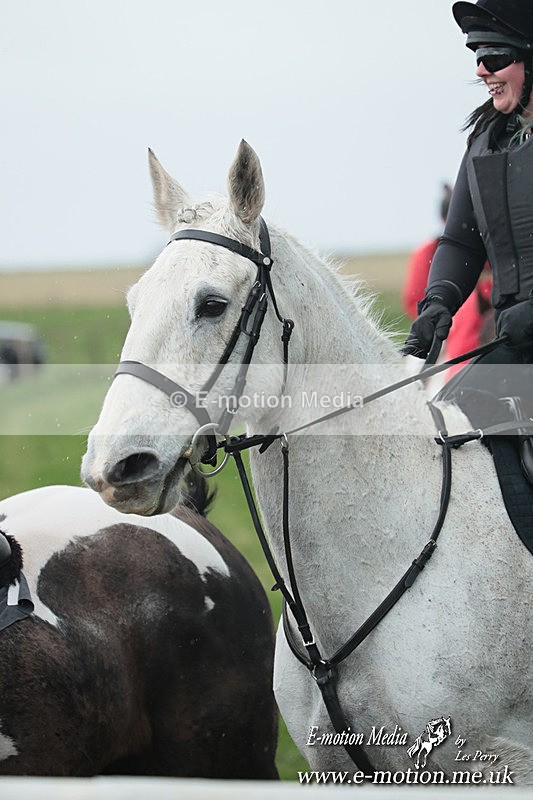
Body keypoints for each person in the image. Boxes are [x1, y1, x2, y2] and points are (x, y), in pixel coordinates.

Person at [402, 0, 533, 484]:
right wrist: (438, 303)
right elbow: (459, 241)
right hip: (513, 348)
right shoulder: (485, 139)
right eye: (477, 57)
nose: (482, 70)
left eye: (495, 58)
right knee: (444, 441)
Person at [403, 183, 493, 378]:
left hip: (482, 323)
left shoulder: (488, 248)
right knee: (412, 373)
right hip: (439, 324)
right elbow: (413, 299)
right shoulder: (427, 250)